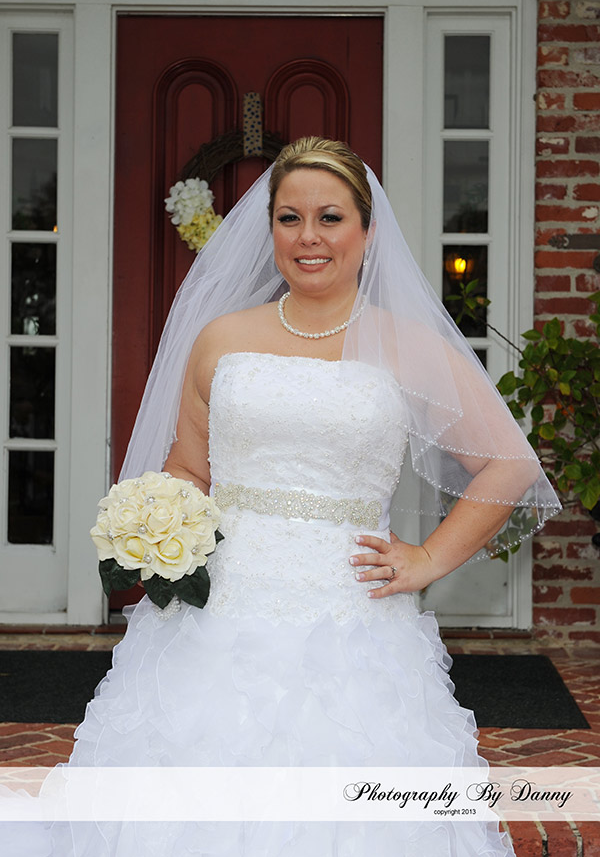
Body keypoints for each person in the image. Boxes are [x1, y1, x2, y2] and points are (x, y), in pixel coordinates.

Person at [2, 137, 560, 855]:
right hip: (216, 616)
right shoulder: (222, 339)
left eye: (330, 217)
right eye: (289, 218)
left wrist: (427, 557)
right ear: (269, 230)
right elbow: (188, 467)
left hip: (348, 620)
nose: (308, 237)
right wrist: (157, 526)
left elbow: (509, 465)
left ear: (368, 231)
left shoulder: (406, 345)